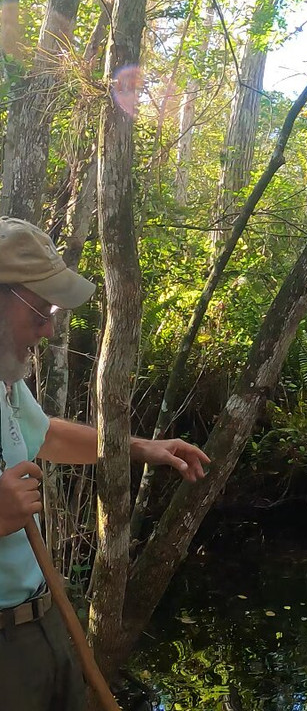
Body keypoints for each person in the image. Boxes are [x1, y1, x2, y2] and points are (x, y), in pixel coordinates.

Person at [0, 216, 210, 710]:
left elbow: (46, 433)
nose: (49, 327)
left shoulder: (5, 382)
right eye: (39, 310)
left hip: (41, 622)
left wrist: (137, 447)